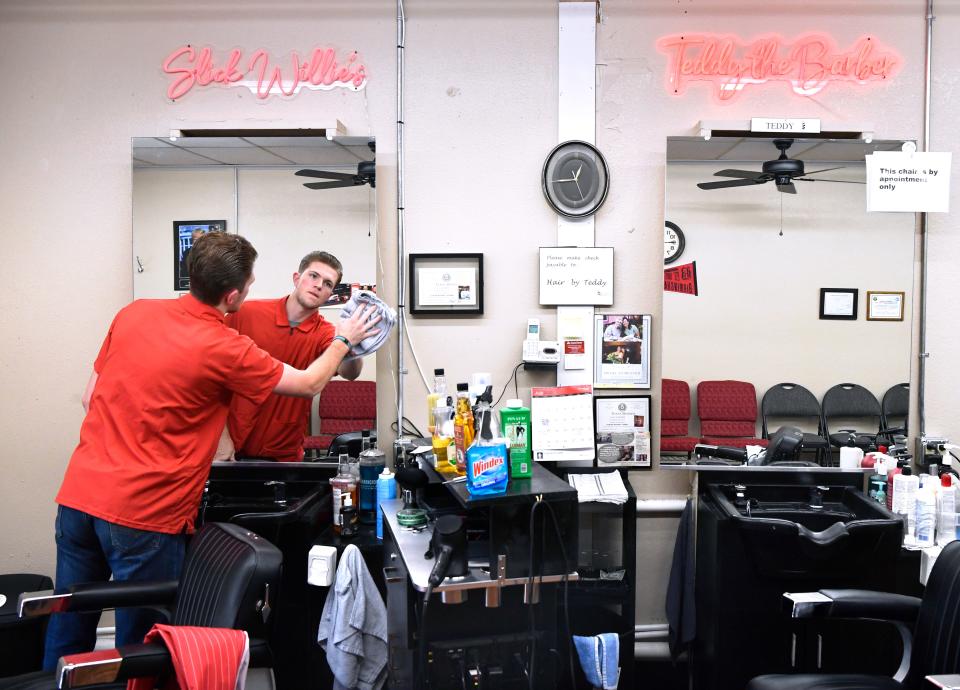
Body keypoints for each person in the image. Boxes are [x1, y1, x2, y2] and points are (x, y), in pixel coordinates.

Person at [44, 233, 380, 670]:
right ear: (235, 294)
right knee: (141, 648)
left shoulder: (134, 312)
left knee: (69, 622)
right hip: (145, 514)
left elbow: (92, 397)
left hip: (79, 498)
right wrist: (346, 336)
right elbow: (309, 384)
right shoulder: (223, 344)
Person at [221, 250, 365, 462]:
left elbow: (350, 373)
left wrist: (351, 342)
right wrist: (220, 438)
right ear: (297, 278)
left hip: (282, 451)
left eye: (327, 284)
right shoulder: (246, 313)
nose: (318, 285)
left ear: (330, 294)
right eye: (313, 276)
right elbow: (212, 375)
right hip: (229, 445)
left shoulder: (326, 332)